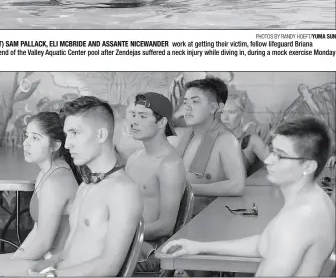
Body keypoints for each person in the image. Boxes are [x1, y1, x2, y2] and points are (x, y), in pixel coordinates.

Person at [161, 117, 335, 277]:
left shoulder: (298, 219)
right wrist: (199, 247)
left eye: (280, 155)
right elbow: (265, 244)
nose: (268, 161)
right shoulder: (313, 199)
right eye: (272, 152)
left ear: (308, 166)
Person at [29, 96, 143, 277]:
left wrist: (52, 276)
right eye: (67, 135)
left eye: (75, 133)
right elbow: (72, 251)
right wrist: (44, 266)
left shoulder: (122, 190)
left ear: (101, 135)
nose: (67, 144)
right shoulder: (86, 185)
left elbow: (109, 266)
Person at [0, 112, 80, 277]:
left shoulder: (56, 181)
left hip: (56, 265)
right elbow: (38, 229)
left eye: (35, 138)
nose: (25, 143)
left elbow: (43, 243)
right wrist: (16, 257)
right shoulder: (46, 173)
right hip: (45, 257)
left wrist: (11, 268)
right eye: (27, 136)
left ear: (55, 145)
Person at [125, 93, 186, 273]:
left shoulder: (170, 164)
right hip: (128, 239)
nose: (134, 122)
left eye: (143, 116)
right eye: (134, 115)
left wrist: (122, 233)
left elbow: (166, 226)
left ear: (161, 123)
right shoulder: (134, 158)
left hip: (150, 249)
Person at [176, 77, 246, 216]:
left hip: (208, 222)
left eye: (195, 102)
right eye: (185, 102)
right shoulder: (187, 136)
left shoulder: (226, 140)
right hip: (181, 219)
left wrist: (187, 189)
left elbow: (237, 186)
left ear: (214, 108)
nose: (188, 107)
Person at [220, 89, 269, 174]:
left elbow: (276, 167)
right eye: (222, 112)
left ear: (242, 113)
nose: (225, 118)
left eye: (231, 112)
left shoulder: (252, 140)